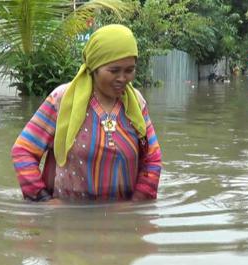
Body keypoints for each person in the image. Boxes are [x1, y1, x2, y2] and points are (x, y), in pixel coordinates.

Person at [11, 24, 162, 202]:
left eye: (129, 70)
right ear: (94, 68)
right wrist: (43, 200)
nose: (122, 78)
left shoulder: (136, 102)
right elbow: (23, 151)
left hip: (121, 219)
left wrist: (136, 205)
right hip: (69, 218)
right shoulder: (62, 99)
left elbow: (152, 158)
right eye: (114, 71)